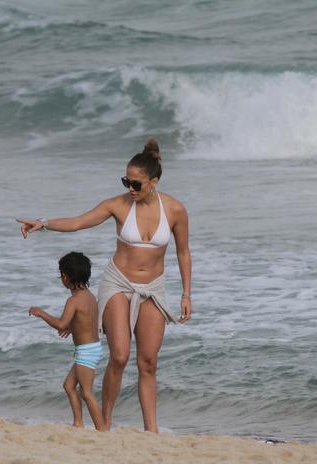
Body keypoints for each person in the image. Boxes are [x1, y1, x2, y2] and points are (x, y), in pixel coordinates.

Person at [17, 139, 192, 433]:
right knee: (120, 355)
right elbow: (79, 222)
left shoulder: (174, 210)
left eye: (136, 184)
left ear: (154, 182)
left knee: (148, 362)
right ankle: (105, 424)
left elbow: (183, 252)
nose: (130, 189)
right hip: (118, 283)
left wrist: (187, 293)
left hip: (153, 287)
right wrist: (43, 223)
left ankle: (152, 430)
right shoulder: (119, 205)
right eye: (126, 182)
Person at [28, 252, 106, 431]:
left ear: (65, 277)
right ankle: (78, 423)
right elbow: (88, 319)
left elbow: (61, 324)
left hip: (86, 350)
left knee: (86, 393)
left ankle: (102, 429)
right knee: (69, 385)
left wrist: (42, 314)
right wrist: (74, 328)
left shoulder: (73, 300)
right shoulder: (89, 296)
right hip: (91, 348)